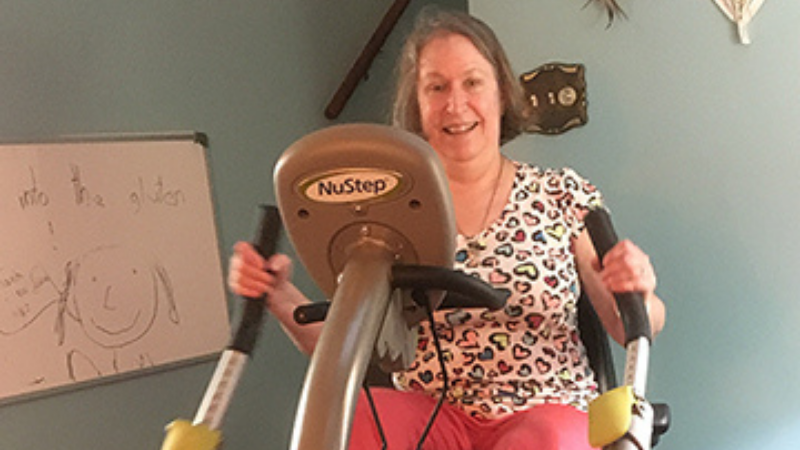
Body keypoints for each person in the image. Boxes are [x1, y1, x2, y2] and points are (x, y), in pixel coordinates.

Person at [228, 8, 666, 450]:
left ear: (500, 93)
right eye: (436, 87)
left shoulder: (560, 193)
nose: (455, 105)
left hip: (545, 411)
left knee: (544, 441)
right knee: (358, 417)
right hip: (431, 418)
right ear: (417, 106)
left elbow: (625, 321)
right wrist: (277, 293)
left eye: (472, 82)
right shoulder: (388, 212)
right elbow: (344, 347)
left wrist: (640, 291)